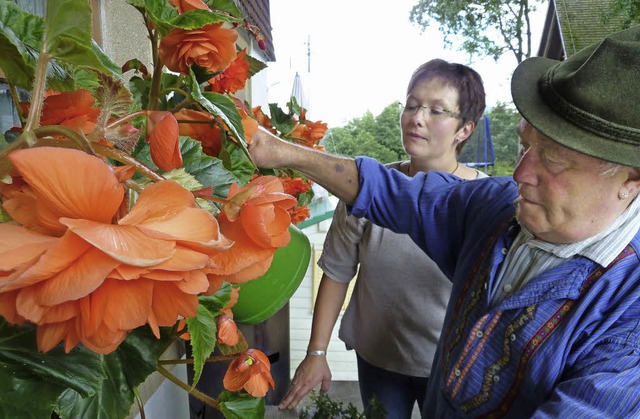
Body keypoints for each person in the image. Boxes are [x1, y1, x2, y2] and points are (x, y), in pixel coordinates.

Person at [249, 25, 640, 418]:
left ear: (630, 178)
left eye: (554, 158)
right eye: (524, 145)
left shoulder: (629, 310)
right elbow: (397, 194)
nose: (520, 173)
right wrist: (282, 152)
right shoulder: (496, 206)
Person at [278, 59, 487, 417]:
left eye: (437, 111)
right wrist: (316, 353)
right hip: (377, 359)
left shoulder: (484, 201)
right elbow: (337, 272)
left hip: (451, 366)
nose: (417, 118)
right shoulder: (365, 190)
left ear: (464, 129)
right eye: (411, 104)